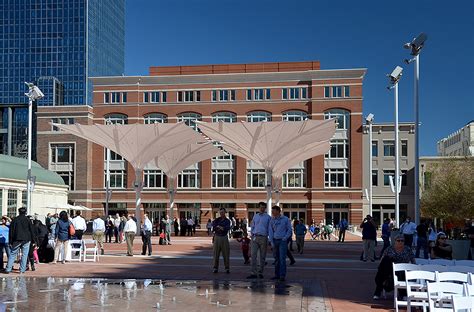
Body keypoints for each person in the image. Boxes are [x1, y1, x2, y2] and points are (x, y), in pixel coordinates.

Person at [373, 234, 415, 300]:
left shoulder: (407, 249)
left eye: (402, 241)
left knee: (383, 273)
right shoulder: (389, 249)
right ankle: (402, 293)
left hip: (402, 270)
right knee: (386, 260)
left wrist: (413, 269)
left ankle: (378, 291)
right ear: (395, 241)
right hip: (390, 269)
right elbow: (382, 260)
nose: (400, 242)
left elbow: (413, 260)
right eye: (398, 240)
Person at [3, 208, 34, 274]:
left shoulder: (15, 220)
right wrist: (34, 240)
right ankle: (22, 270)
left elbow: (11, 231)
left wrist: (10, 241)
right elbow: (32, 230)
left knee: (12, 254)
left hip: (17, 239)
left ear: (18, 212)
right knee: (24, 255)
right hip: (26, 239)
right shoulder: (28, 220)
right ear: (25, 212)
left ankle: (8, 268)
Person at [247, 201, 271, 279]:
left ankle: (260, 272)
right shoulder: (255, 216)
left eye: (263, 207)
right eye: (261, 207)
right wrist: (252, 234)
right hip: (255, 237)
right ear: (259, 208)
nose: (262, 209)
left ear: (265, 208)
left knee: (262, 256)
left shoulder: (268, 217)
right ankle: (253, 272)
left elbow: (270, 229)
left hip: (263, 237)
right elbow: (252, 225)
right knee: (253, 255)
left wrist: (270, 239)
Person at [269, 205, 293, 282]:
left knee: (282, 259)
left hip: (282, 241)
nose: (272, 213)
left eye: (274, 211)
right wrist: (271, 241)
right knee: (276, 259)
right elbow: (271, 231)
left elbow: (289, 230)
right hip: (275, 240)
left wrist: (285, 238)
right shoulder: (272, 220)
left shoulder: (285, 219)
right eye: (272, 212)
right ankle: (277, 275)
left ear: (278, 211)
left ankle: (282, 275)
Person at [212, 208, 231, 273]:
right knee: (216, 253)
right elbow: (214, 227)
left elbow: (226, 228)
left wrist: (220, 227)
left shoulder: (227, 221)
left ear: (225, 213)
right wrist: (221, 228)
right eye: (220, 212)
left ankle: (227, 268)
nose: (221, 214)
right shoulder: (217, 220)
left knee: (226, 253)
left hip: (224, 237)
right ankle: (215, 268)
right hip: (217, 237)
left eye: (222, 212)